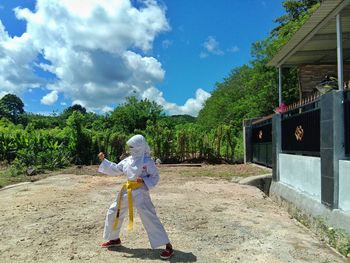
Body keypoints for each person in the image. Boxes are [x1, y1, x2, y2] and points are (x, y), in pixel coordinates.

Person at [97, 134, 174, 260]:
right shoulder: (128, 160)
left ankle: (168, 246)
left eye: (133, 147)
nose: (130, 149)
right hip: (127, 190)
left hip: (140, 192)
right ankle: (114, 238)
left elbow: (155, 177)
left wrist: (143, 180)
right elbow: (116, 168)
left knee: (149, 216)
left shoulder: (147, 161)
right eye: (130, 146)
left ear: (140, 147)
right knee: (114, 211)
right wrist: (103, 161)